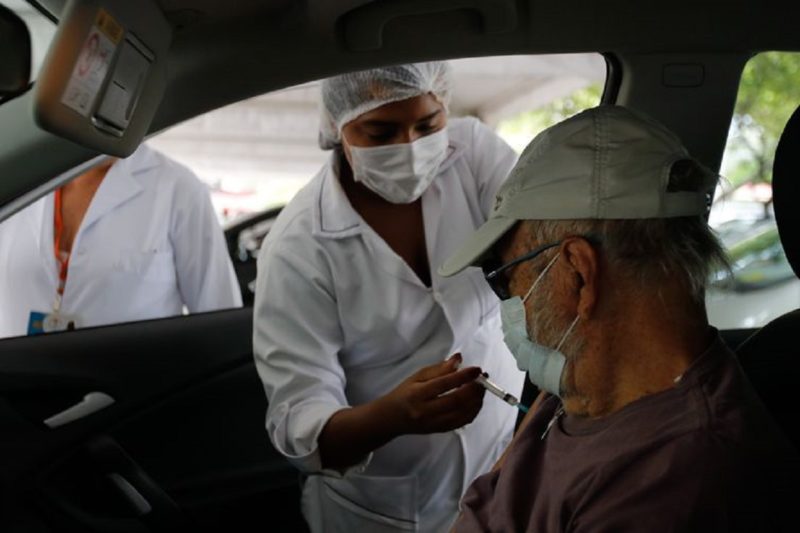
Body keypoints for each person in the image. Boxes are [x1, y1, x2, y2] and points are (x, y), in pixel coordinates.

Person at [439, 105, 799, 532]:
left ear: (578, 274)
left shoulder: (671, 485)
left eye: (506, 279)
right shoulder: (579, 384)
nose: (510, 302)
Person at [252, 62, 524, 532]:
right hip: (386, 512)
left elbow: (540, 246)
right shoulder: (299, 247)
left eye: (428, 125)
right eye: (380, 133)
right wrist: (392, 417)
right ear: (337, 126)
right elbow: (299, 429)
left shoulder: (474, 154)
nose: (411, 148)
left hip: (499, 472)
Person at [0, 143, 242, 338]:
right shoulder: (16, 177)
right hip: (18, 377)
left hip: (133, 382)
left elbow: (221, 324)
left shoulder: (177, 188)